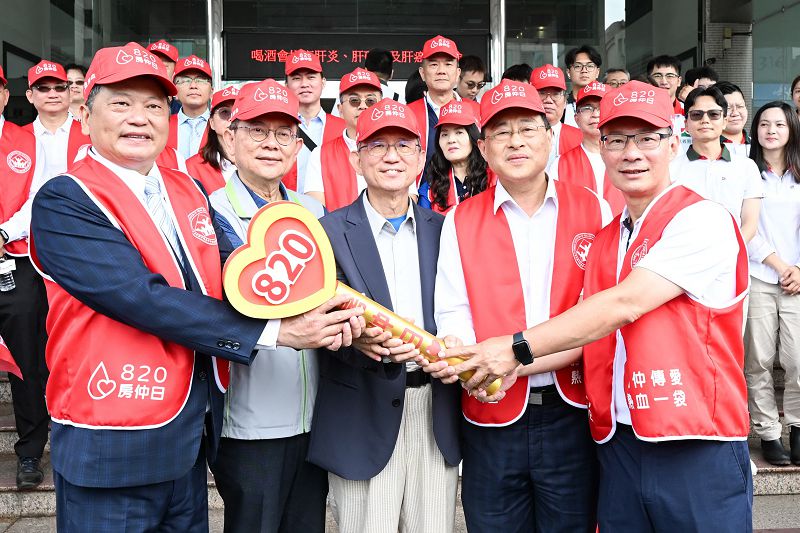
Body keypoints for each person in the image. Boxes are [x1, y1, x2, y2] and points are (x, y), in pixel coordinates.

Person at [28, 42, 362, 532]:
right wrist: (278, 332)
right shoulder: (65, 199)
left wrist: (344, 308)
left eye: (152, 105)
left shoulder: (184, 189)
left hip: (186, 439)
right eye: (121, 103)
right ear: (84, 113)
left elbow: (240, 269)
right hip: (112, 435)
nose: (139, 118)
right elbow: (141, 297)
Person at [426, 81, 753, 532]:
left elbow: (621, 305)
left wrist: (512, 351)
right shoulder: (613, 234)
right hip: (617, 436)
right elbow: (592, 331)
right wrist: (482, 362)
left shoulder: (699, 218)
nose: (630, 153)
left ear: (674, 143)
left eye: (646, 138)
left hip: (691, 435)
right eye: (616, 141)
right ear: (483, 147)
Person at [433, 78, 607, 532]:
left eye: (528, 128)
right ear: (483, 148)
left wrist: (510, 359)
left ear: (551, 137)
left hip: (573, 409)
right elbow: (452, 309)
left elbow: (599, 314)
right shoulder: (460, 219)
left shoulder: (595, 210)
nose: (516, 141)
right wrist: (464, 356)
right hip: (491, 413)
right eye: (501, 132)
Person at [308, 98, 462, 533]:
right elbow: (317, 321)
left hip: (434, 410)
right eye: (377, 146)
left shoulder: (446, 230)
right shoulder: (327, 232)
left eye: (403, 145)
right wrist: (357, 340)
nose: (391, 156)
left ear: (420, 157)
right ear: (356, 159)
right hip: (362, 412)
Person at [208, 79, 330, 533]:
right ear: (230, 139)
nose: (270, 144)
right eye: (257, 130)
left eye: (283, 133)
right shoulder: (209, 214)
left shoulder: (313, 213)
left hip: (314, 418)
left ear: (297, 147)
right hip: (249, 423)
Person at [0, 65, 51, 490]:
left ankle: (31, 451)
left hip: (14, 263)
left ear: (5, 95)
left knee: (26, 362)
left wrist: (3, 232)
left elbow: (39, 197)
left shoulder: (29, 140)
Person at [745, 101, 800, 467]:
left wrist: (798, 268)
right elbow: (744, 227)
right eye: (764, 124)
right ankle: (767, 433)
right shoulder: (747, 171)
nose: (771, 130)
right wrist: (778, 264)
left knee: (798, 360)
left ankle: (797, 426)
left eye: (779, 124)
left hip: (797, 280)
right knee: (759, 360)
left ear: (791, 129)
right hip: (759, 275)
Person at [670, 86, 762, 242]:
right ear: (686, 124)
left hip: (732, 254)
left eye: (713, 114)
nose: (705, 120)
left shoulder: (747, 167)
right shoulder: (670, 169)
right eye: (697, 115)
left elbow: (750, 225)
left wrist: (728, 251)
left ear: (724, 121)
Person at [303, 68, 382, 211]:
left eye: (370, 100)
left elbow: (407, 201)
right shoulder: (320, 155)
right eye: (354, 100)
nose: (362, 106)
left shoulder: (398, 151)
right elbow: (316, 212)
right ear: (340, 110)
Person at [408, 35, 479, 184]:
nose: (441, 71)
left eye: (448, 64)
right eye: (434, 64)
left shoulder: (477, 112)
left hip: (475, 193)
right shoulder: (408, 114)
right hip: (423, 196)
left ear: (458, 73)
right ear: (422, 73)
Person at [549, 82, 626, 215]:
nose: (595, 114)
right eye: (587, 108)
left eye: (601, 107)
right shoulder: (561, 164)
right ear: (576, 118)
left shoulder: (629, 158)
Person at [283, 49, 345, 193]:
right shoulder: (278, 128)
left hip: (333, 205)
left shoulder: (343, 128)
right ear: (286, 86)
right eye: (296, 78)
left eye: (311, 77)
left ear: (323, 82)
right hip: (287, 204)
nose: (304, 84)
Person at [418, 100, 489, 213]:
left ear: (472, 137)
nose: (451, 140)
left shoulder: (493, 178)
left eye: (459, 132)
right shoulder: (429, 190)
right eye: (445, 134)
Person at [23, 60, 90, 178]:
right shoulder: (17, 137)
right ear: (30, 96)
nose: (53, 95)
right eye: (43, 88)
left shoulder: (91, 134)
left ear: (70, 94)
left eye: (60, 87)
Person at [186, 86, 239, 193]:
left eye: (238, 112)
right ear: (212, 123)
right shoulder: (193, 167)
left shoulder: (261, 161)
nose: (231, 118)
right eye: (225, 112)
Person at [530, 64, 583, 165]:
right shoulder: (517, 139)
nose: (549, 100)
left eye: (555, 94)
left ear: (565, 102)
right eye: (542, 93)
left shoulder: (580, 139)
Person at [168, 55, 213, 160]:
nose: (193, 85)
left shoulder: (222, 126)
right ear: (175, 92)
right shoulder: (163, 124)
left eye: (201, 80)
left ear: (211, 92)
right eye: (185, 80)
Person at [564, 45, 603, 127]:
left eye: (590, 66)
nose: (584, 70)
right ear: (568, 72)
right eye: (578, 66)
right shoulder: (562, 105)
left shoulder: (607, 102)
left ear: (597, 72)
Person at [647, 55, 685, 134]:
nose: (664, 82)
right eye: (657, 76)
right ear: (649, 81)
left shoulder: (689, 112)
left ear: (679, 81)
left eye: (670, 76)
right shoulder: (642, 111)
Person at [717, 81, 752, 158]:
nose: (735, 113)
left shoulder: (759, 145)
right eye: (728, 108)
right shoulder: (707, 147)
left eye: (740, 106)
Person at [147, 39, 181, 114]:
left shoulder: (181, 112)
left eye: (164, 66)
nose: (158, 70)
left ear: (174, 70)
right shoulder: (132, 104)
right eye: (153, 64)